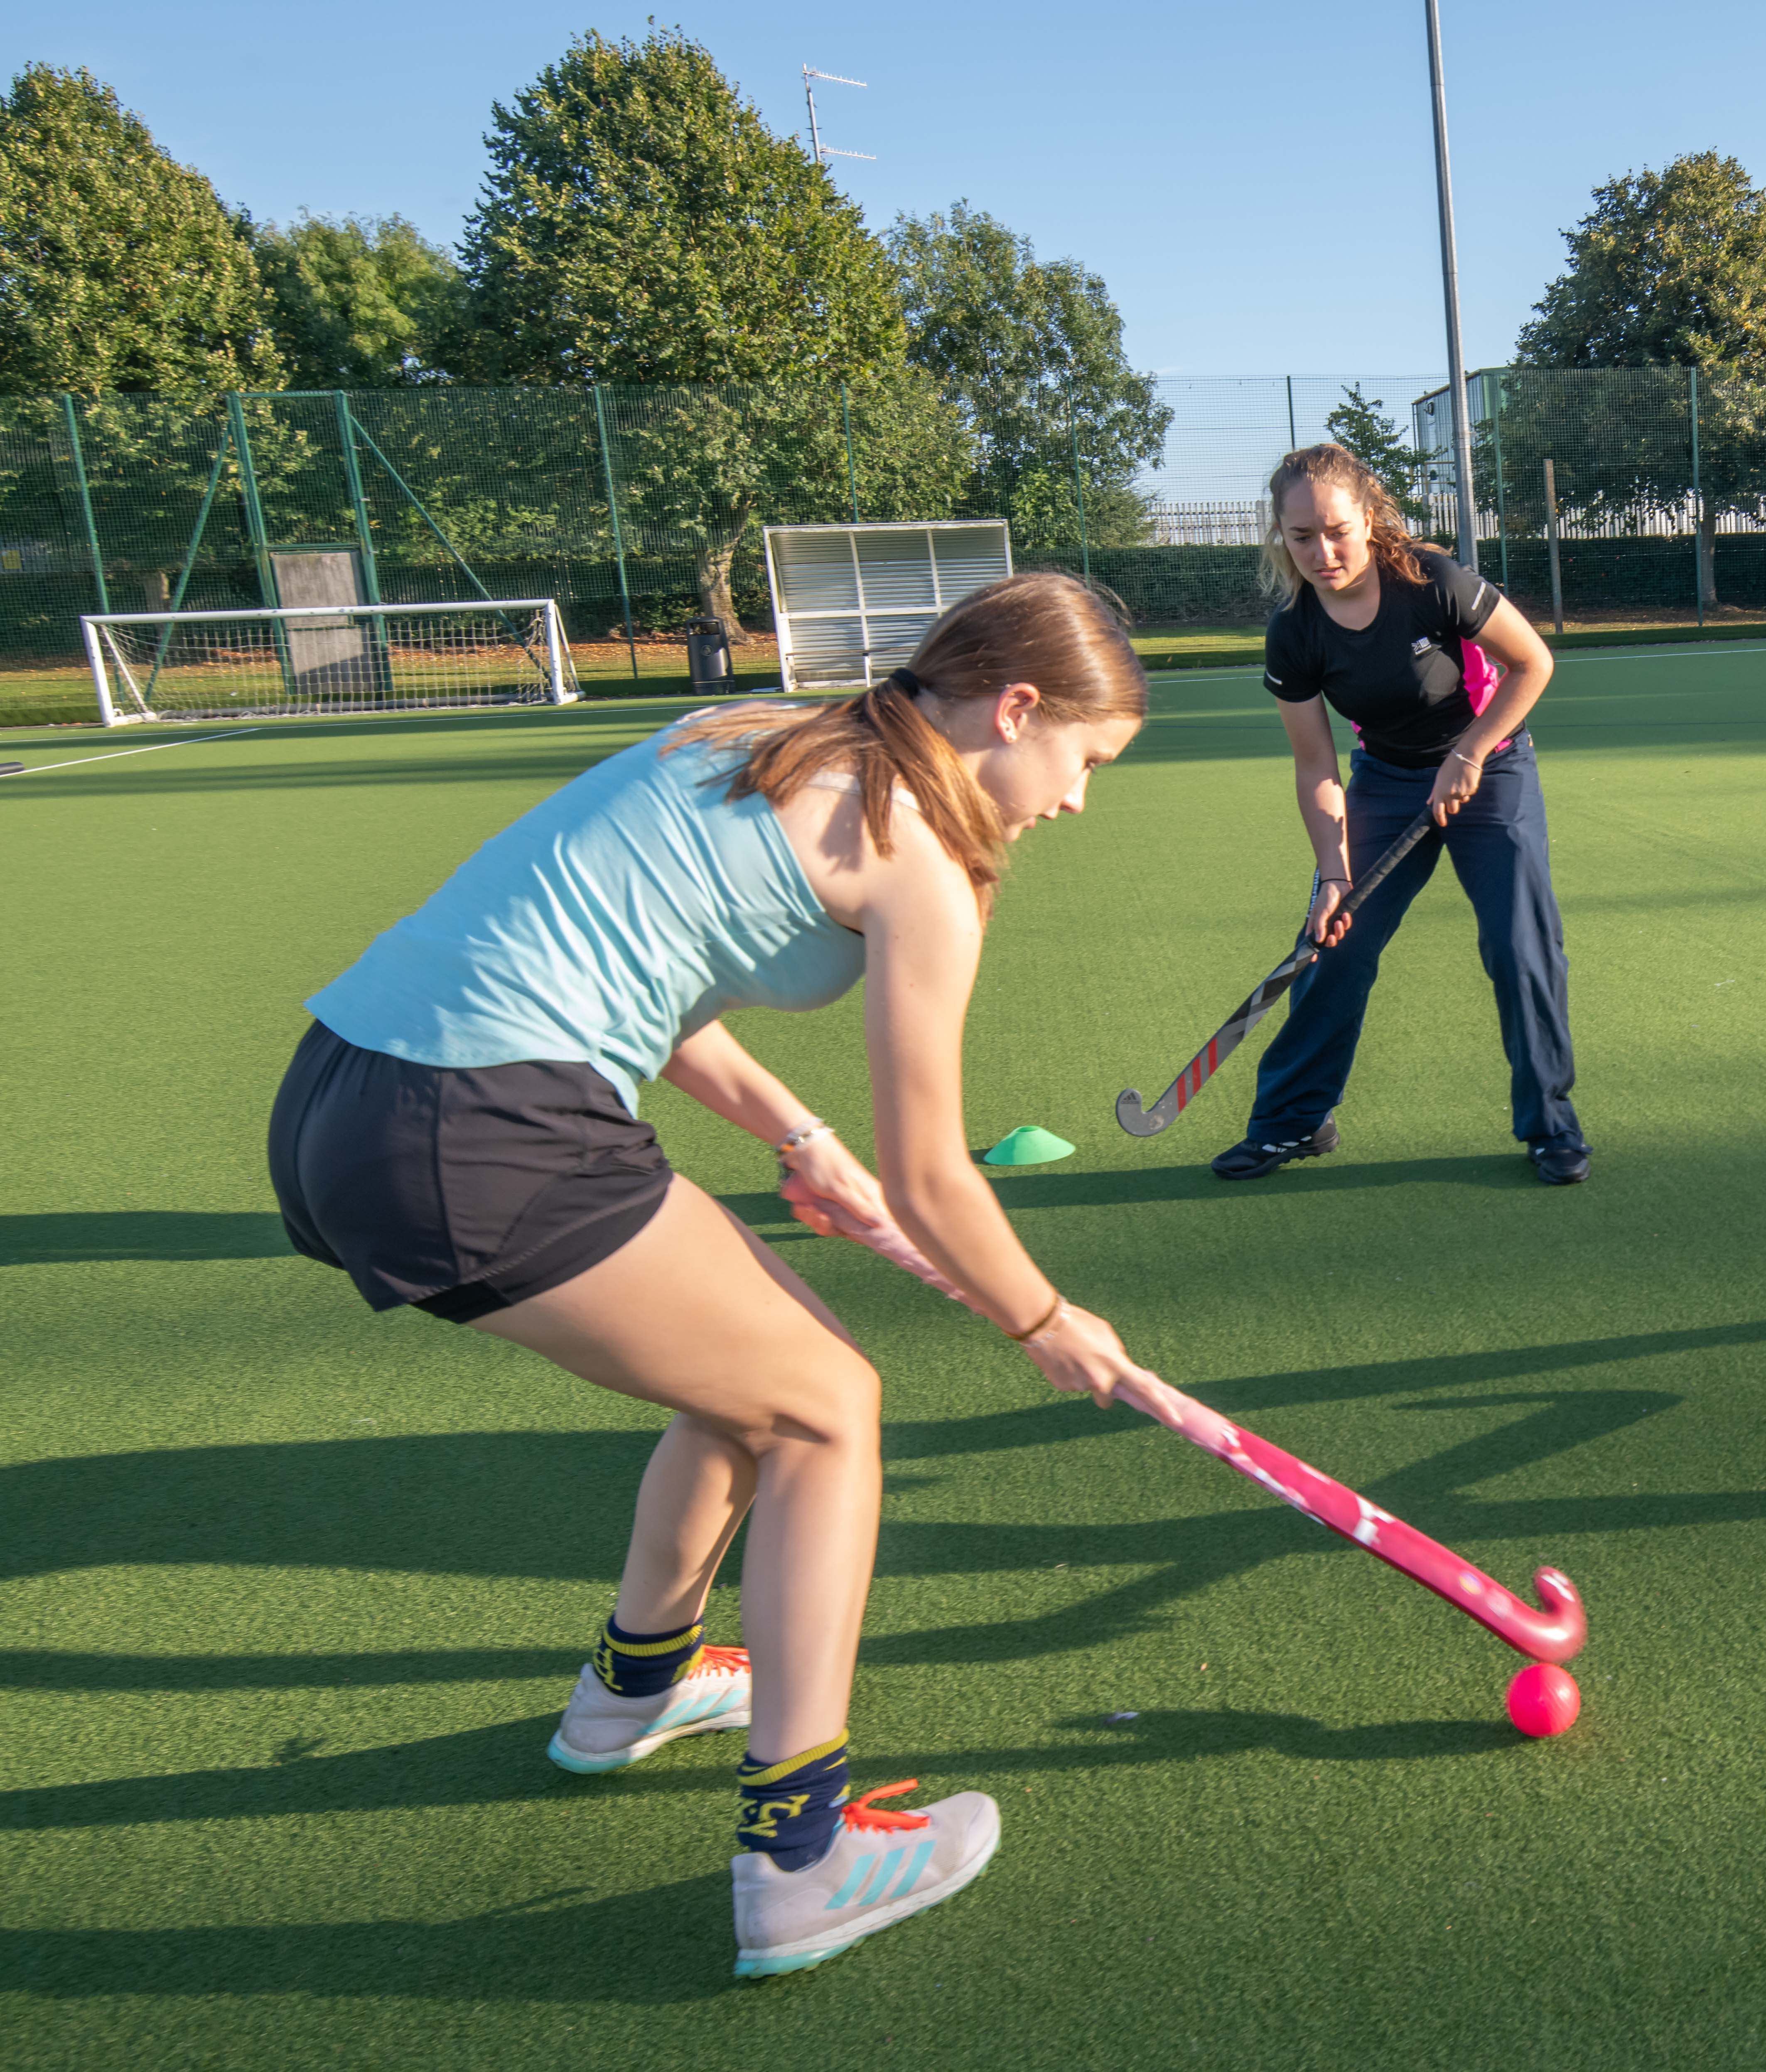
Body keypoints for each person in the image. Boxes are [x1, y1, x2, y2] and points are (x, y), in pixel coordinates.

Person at [266, 575, 1159, 1975]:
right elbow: (936, 1175)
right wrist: (1045, 1318)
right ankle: (801, 1854)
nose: (1077, 802)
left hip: (341, 1094)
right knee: (829, 1406)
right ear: (1017, 708)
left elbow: (648, 977)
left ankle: (634, 1687)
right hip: (485, 1120)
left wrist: (801, 1137)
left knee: (764, 1368)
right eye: (1086, 763)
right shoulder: (920, 858)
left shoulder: (746, 731)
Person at [1209, 443, 1589, 1185]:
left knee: (1519, 946)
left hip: (1492, 768)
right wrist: (1330, 877)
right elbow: (1316, 767)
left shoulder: (1431, 582)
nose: (1323, 552)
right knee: (1332, 943)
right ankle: (1291, 1124)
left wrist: (1473, 752)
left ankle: (1550, 1125)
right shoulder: (1295, 629)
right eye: (1301, 537)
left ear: (1369, 518)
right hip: (1384, 783)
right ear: (1280, 539)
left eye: (1337, 530)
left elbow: (1531, 663)